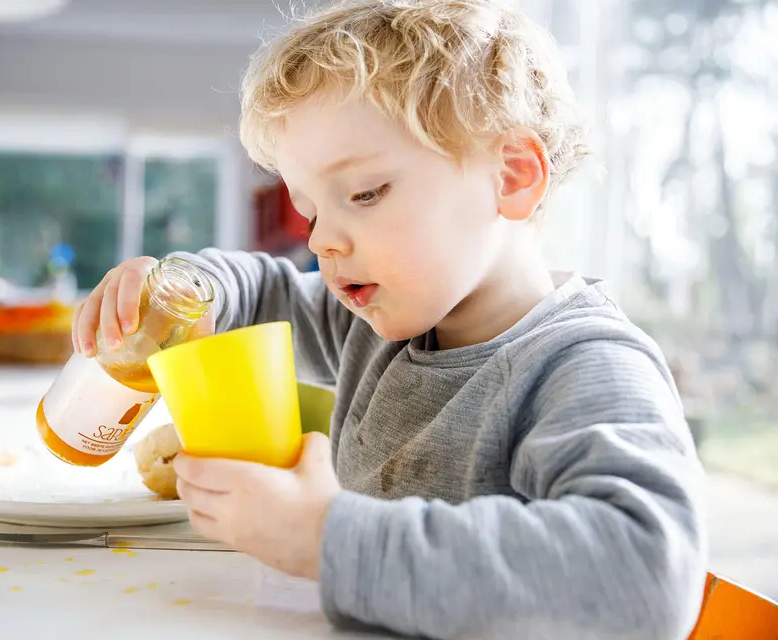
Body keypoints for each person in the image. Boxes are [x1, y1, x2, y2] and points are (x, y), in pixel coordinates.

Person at [73, 1, 707, 637]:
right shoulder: (376, 322)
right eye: (310, 211)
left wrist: (326, 538)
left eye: (365, 194)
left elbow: (645, 576)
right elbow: (264, 292)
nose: (322, 243)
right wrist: (185, 289)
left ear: (511, 178)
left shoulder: (585, 366)